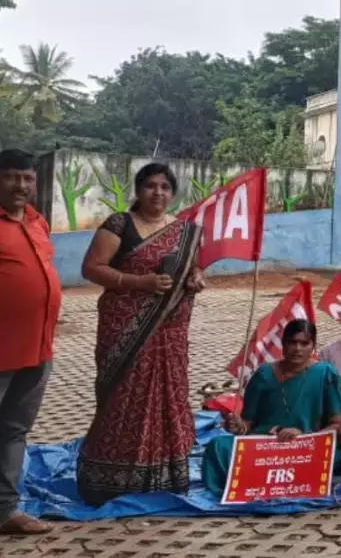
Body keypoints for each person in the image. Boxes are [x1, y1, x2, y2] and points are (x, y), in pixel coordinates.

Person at [77, 162, 206, 507]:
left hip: (170, 334)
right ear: (138, 189)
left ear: (173, 192)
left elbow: (192, 270)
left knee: (168, 397)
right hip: (125, 332)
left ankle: (165, 475)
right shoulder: (119, 224)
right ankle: (107, 478)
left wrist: (196, 278)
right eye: (150, 186)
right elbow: (91, 268)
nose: (158, 193)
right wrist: (139, 282)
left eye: (165, 187)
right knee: (121, 398)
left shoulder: (186, 231)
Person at [202, 320, 341, 495]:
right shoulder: (264, 374)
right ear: (283, 345)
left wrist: (305, 436)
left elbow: (337, 424)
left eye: (304, 343)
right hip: (266, 445)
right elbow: (248, 423)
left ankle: (256, 480)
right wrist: (238, 426)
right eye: (292, 342)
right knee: (217, 445)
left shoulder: (326, 373)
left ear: (313, 346)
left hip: (306, 447)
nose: (298, 348)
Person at [0, 150, 61, 533]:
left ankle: (5, 511)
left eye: (27, 178)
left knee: (14, 430)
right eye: (10, 177)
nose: (20, 185)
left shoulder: (38, 223)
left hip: (37, 350)